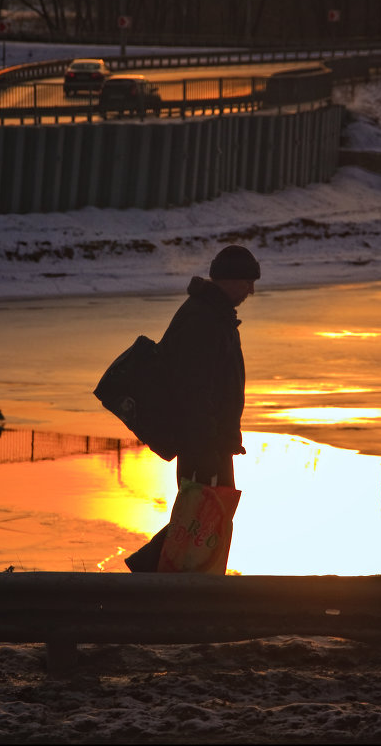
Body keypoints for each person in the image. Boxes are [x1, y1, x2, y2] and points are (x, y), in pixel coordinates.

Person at [124, 244, 260, 572]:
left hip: (210, 441)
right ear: (228, 281)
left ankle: (179, 577)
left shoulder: (213, 314)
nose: (250, 291)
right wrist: (209, 442)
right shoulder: (204, 318)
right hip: (203, 443)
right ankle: (152, 572)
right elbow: (194, 388)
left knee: (204, 514)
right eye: (246, 283)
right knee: (201, 514)